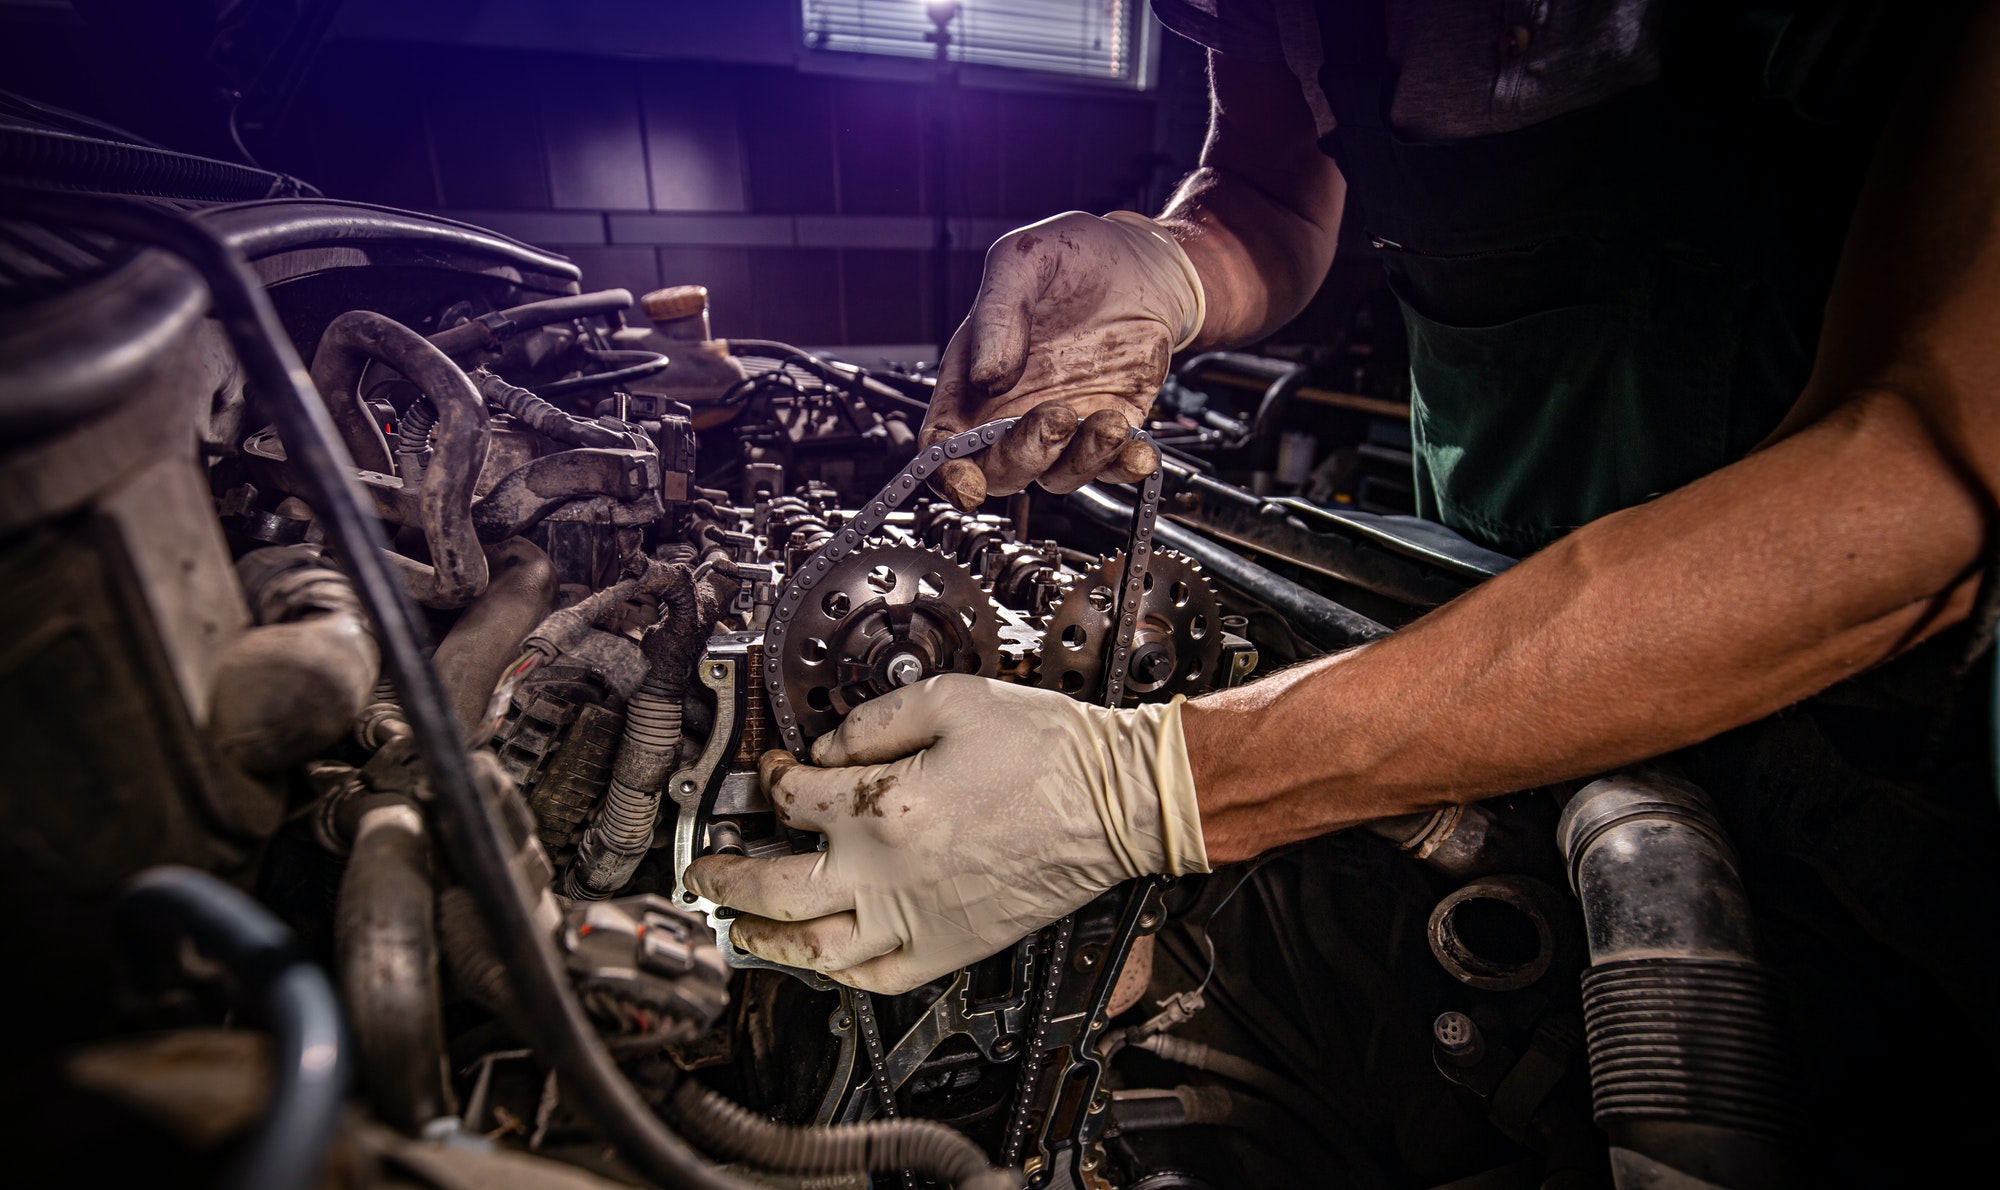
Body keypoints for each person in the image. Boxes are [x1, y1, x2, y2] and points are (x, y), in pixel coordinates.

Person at [687, 1, 2000, 1180]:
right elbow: (1269, 184)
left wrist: (1148, 787)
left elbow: (1924, 480)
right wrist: (1173, 266)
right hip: (1474, 569)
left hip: (1883, 697)